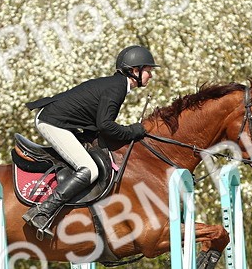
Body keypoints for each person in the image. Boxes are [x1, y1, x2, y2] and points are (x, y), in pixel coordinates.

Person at [21, 45, 161, 237]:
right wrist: (133, 131)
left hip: (61, 121)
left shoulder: (116, 85)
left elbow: (98, 124)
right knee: (89, 169)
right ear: (134, 71)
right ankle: (42, 212)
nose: (151, 76)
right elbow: (105, 125)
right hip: (52, 122)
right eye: (148, 71)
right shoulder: (117, 89)